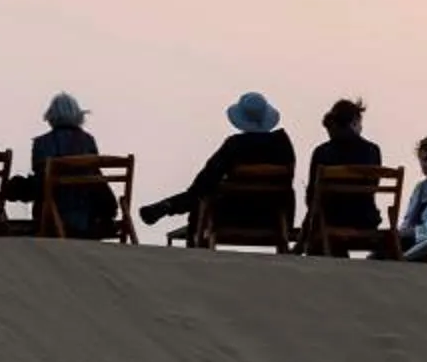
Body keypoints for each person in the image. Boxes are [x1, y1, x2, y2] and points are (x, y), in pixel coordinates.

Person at [139, 92, 296, 240]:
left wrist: (193, 193)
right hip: (273, 215)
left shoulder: (234, 145)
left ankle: (171, 206)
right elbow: (288, 180)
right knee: (204, 191)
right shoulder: (282, 145)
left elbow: (206, 179)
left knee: (202, 193)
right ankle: (171, 205)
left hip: (232, 214)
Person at [30, 91, 117, 240]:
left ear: (51, 116)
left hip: (53, 215)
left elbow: (39, 185)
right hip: (89, 215)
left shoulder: (41, 143)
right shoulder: (88, 141)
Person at [304, 97, 382, 248]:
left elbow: (311, 196)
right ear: (354, 122)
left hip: (330, 222)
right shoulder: (372, 150)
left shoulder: (322, 152)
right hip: (364, 220)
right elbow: (373, 187)